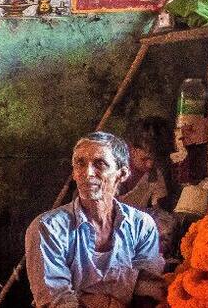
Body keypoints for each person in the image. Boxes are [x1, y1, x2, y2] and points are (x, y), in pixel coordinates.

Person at [26, 132, 166, 308]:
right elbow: (56, 300)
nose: (88, 173)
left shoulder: (141, 225)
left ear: (122, 174)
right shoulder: (48, 228)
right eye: (80, 163)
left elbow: (147, 292)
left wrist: (94, 300)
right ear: (74, 173)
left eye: (100, 164)